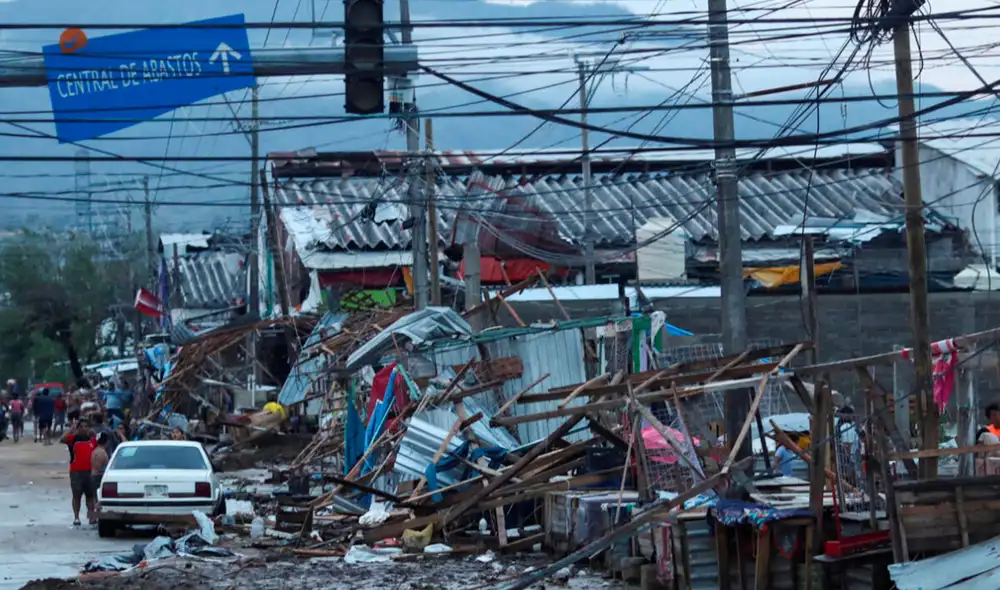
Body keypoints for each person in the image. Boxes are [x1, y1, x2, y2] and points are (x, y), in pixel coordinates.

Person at [61, 418, 97, 526]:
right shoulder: (73, 439)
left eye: (86, 426)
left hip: (90, 471)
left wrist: (93, 432)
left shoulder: (92, 439)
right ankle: (76, 517)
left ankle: (91, 517)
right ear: (78, 428)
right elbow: (62, 439)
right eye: (81, 427)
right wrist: (71, 429)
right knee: (77, 495)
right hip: (76, 472)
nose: (84, 429)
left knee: (90, 496)